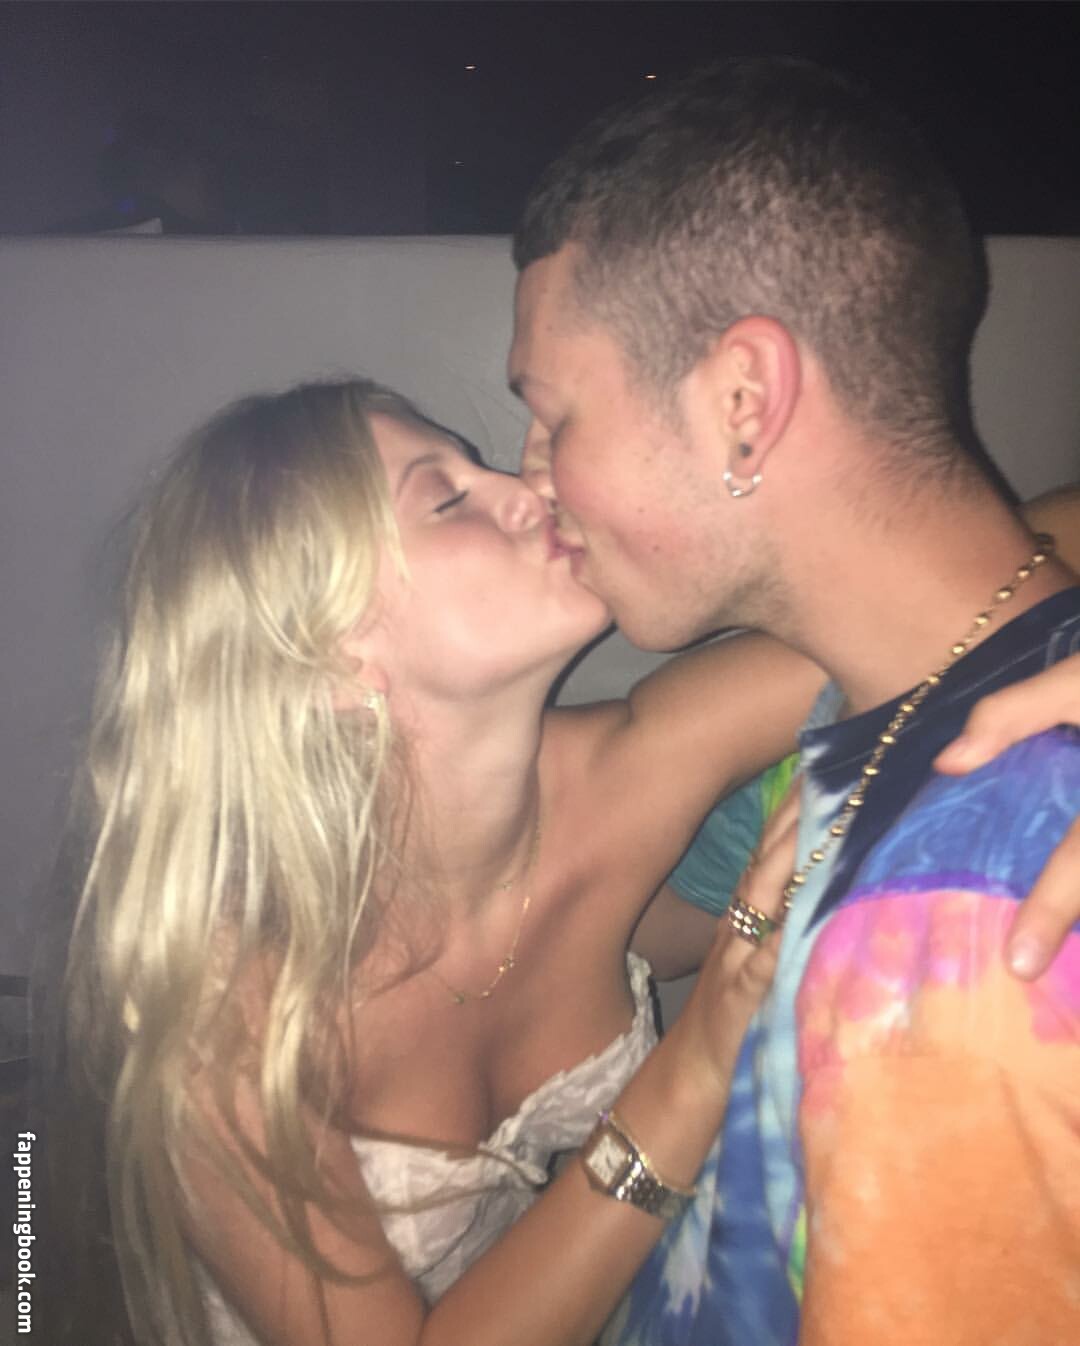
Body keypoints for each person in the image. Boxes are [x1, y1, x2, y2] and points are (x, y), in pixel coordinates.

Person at [51, 377, 1077, 1346]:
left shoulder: (630, 772)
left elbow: (967, 590)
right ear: (330, 657)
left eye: (478, 462)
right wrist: (697, 1059)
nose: (527, 486)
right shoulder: (221, 1009)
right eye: (446, 497)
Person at [508, 55, 1080, 1345]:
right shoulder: (868, 703)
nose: (532, 478)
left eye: (554, 416)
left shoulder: (963, 932)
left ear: (743, 402)